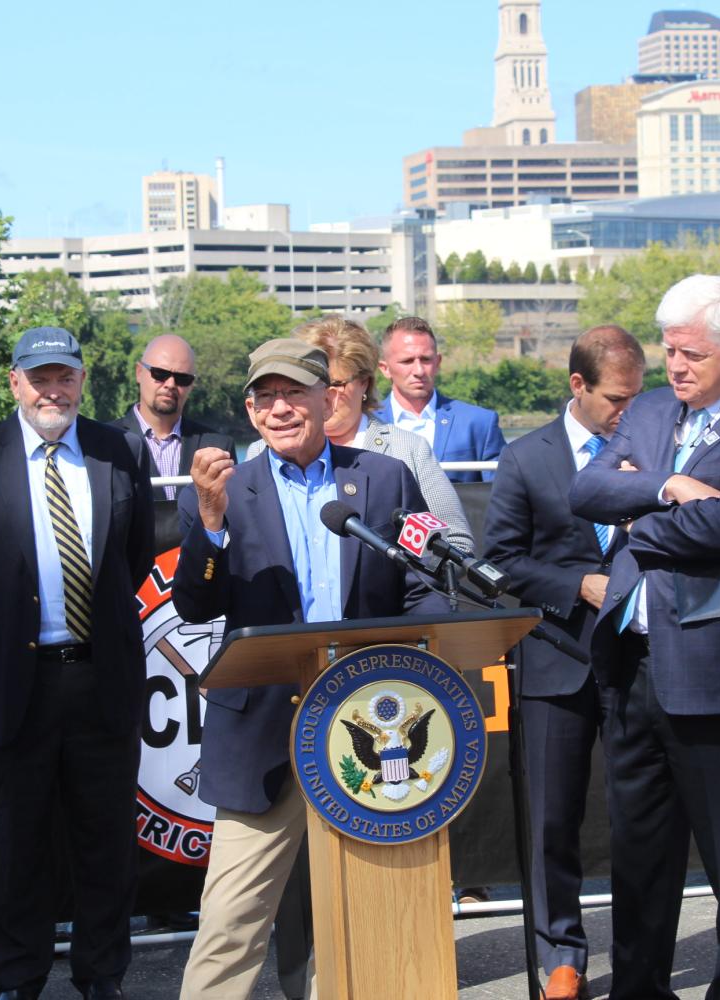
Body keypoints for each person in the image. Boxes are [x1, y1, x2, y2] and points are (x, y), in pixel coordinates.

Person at [173, 338, 448, 999]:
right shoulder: (221, 493)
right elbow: (195, 603)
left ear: (330, 398)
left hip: (367, 725)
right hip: (262, 736)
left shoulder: (384, 479)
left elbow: (425, 582)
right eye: (266, 397)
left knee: (365, 914)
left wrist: (417, 658)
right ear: (249, 410)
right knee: (230, 922)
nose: (281, 408)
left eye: (295, 392)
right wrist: (209, 525)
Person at [570, 274, 720, 1000]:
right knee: (640, 855)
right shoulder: (650, 411)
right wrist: (667, 489)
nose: (676, 367)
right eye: (669, 351)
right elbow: (586, 491)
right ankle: (639, 989)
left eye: (693, 355)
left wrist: (636, 510)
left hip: (718, 669)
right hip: (632, 663)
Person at [0, 327, 155, 1000]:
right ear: (14, 383)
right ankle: (18, 977)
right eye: (39, 377)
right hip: (11, 682)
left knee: (104, 842)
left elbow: (135, 555)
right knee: (12, 840)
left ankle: (101, 974)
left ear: (83, 381)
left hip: (100, 677)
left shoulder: (119, 451)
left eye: (65, 376)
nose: (52, 389)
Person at [484, 324, 645, 1000]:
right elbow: (500, 561)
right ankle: (561, 957)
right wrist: (576, 584)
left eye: (637, 397)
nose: (627, 411)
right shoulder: (526, 459)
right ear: (577, 386)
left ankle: (642, 955)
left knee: (643, 814)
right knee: (552, 818)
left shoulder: (650, 450)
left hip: (640, 658)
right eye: (615, 399)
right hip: (557, 658)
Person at [247, 314, 473, 552]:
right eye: (303, 388)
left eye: (334, 384)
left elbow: (456, 545)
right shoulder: (261, 451)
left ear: (364, 382)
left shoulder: (406, 450)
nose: (324, 397)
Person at [376, 316, 505, 483]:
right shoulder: (365, 424)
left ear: (438, 362)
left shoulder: (479, 423)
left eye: (426, 359)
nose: (419, 370)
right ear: (385, 369)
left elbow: (501, 495)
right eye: (407, 361)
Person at [108, 333, 235, 500]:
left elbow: (232, 517)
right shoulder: (107, 442)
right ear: (139, 373)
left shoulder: (218, 448)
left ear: (192, 384)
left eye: (182, 378)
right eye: (159, 374)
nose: (170, 384)